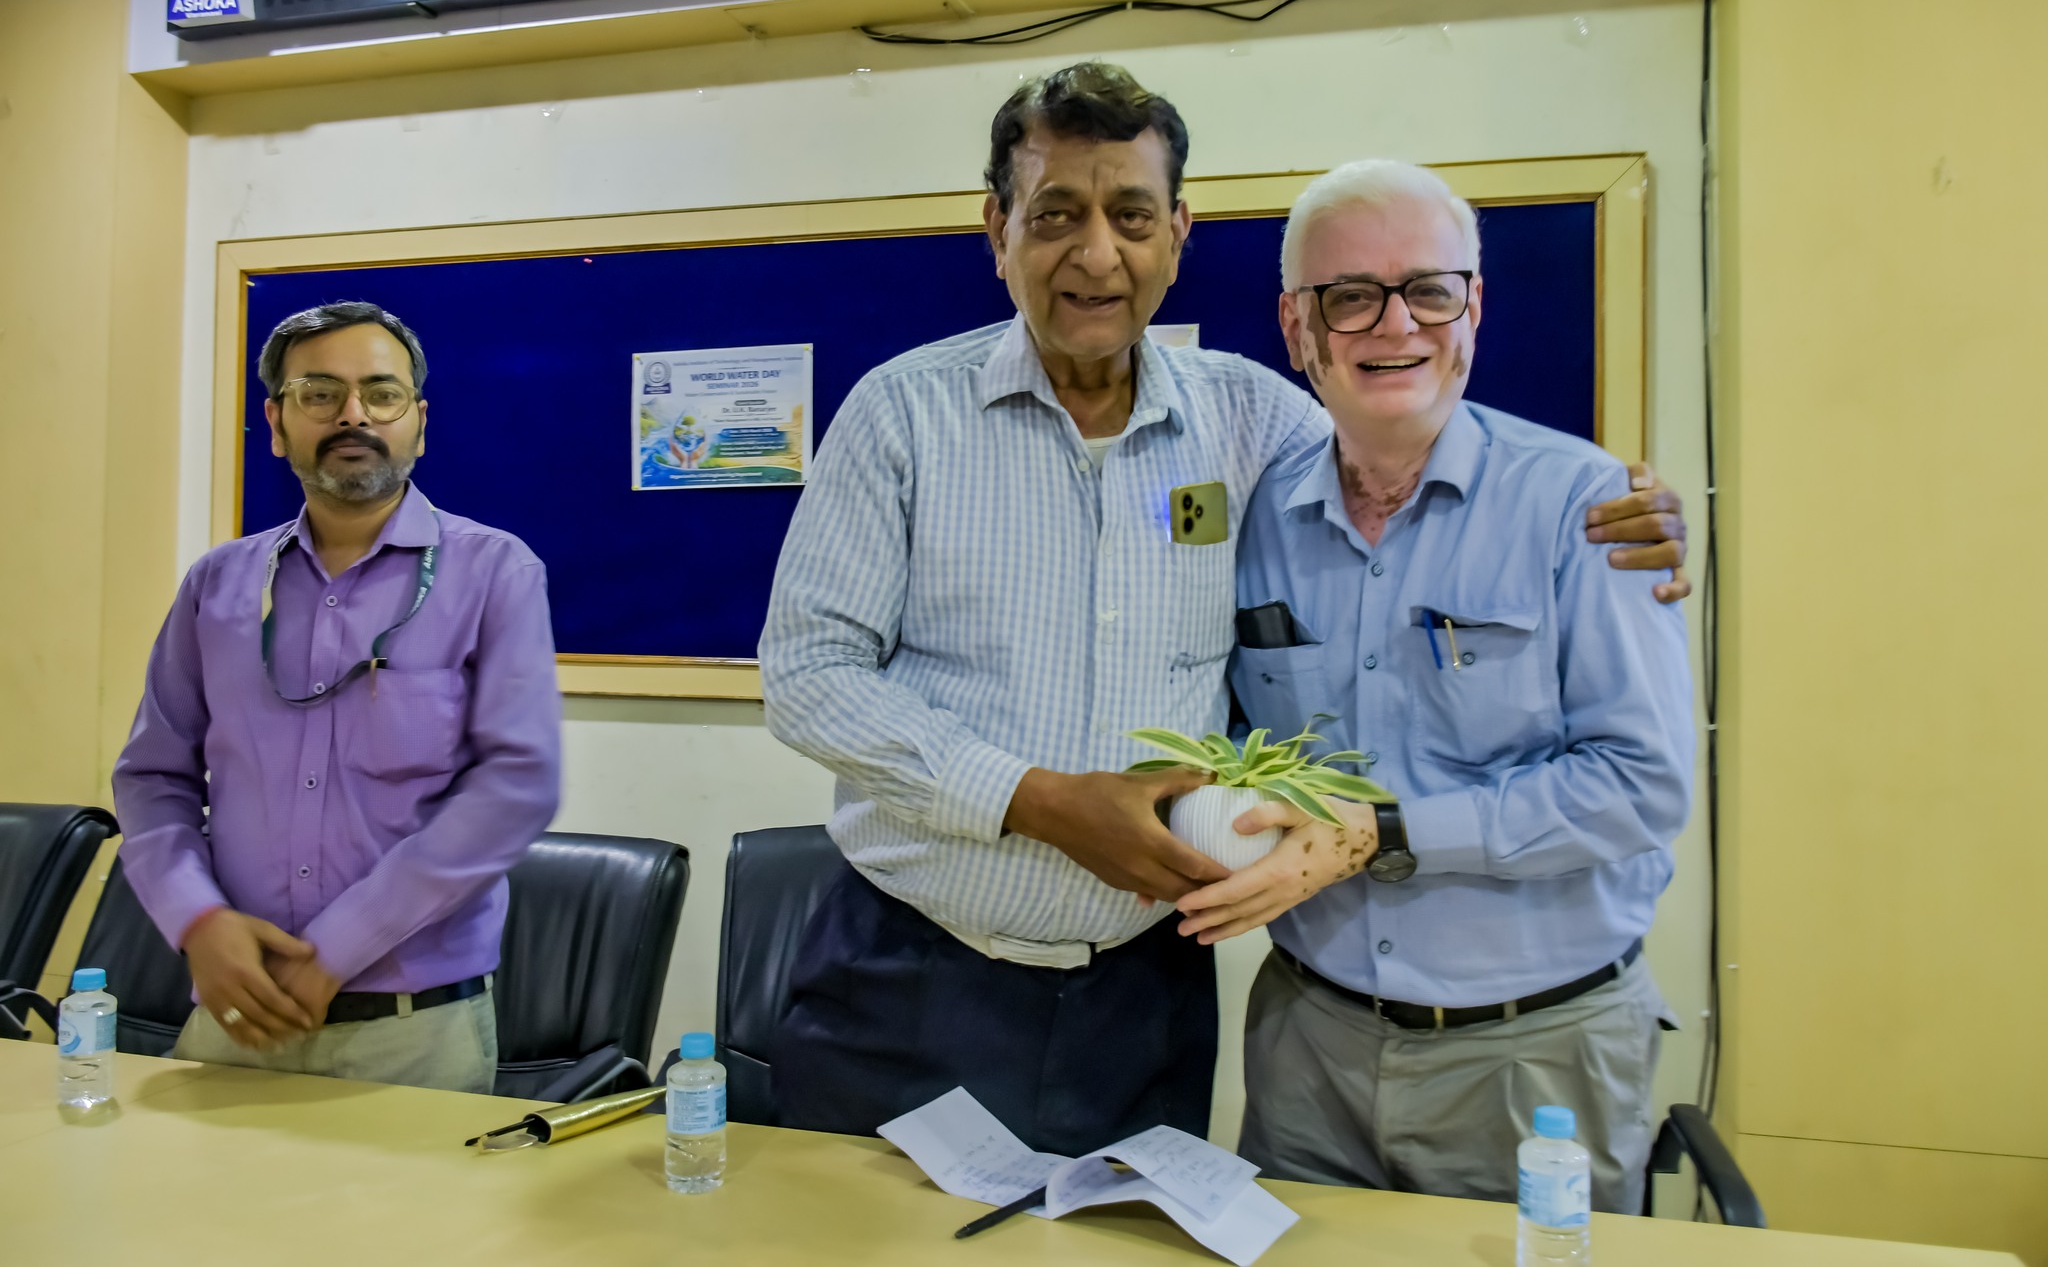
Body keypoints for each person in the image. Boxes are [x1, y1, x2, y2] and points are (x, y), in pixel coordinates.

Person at [758, 64, 1690, 1155]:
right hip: (907, 972)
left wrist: (1635, 512)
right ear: (995, 228)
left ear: (1177, 234)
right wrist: (1037, 800)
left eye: (1131, 215)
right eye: (1055, 213)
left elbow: (1396, 447)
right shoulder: (899, 416)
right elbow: (809, 675)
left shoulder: (1251, 422)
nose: (1096, 253)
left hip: (1146, 998)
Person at [1174, 160, 1693, 1210]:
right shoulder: (1248, 515)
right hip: (1305, 1047)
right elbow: (1216, 719)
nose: (1392, 324)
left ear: (1473, 306)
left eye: (1428, 289)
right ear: (1296, 327)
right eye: (1349, 296)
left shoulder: (1582, 508)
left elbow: (1640, 787)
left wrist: (1385, 831)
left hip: (1532, 1057)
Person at [112, 302, 561, 1094]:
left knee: (405, 1226)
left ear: (418, 422)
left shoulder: (496, 572)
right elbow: (152, 777)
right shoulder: (217, 586)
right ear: (276, 422)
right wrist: (196, 918)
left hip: (415, 1030)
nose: (353, 414)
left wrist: (338, 948)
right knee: (191, 1221)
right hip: (234, 1011)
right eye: (318, 393)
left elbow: (514, 784)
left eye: (380, 393)